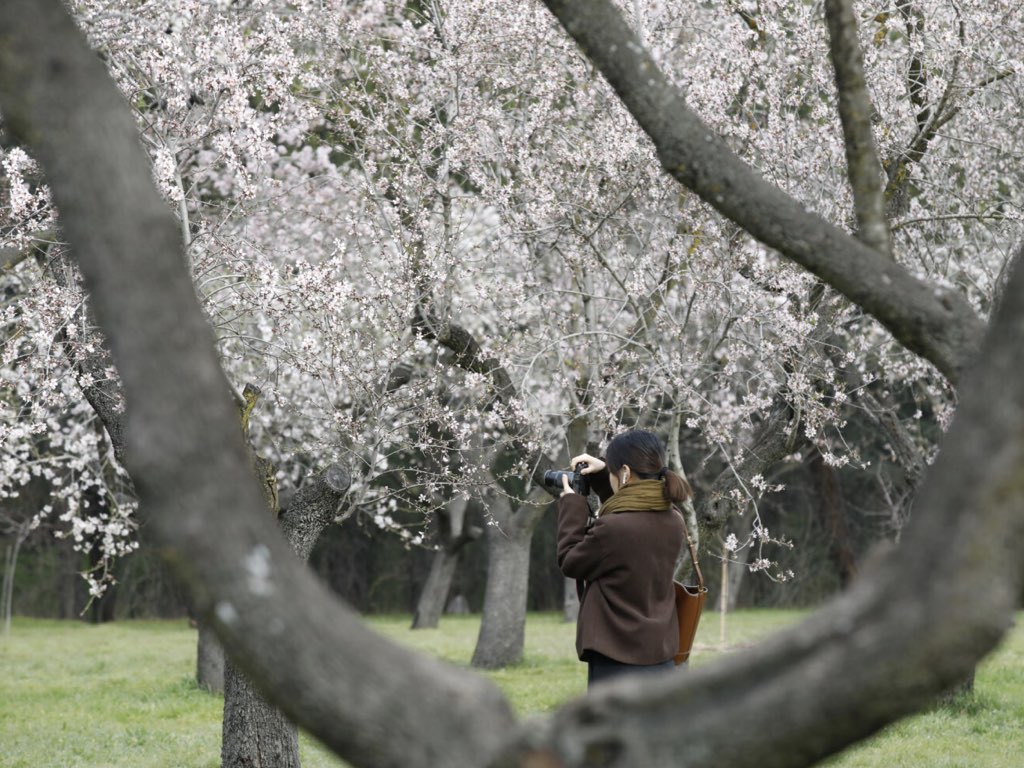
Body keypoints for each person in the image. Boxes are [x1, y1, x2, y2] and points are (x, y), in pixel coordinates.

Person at [556, 429, 693, 688]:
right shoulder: (674, 519)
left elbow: (570, 559)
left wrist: (572, 505)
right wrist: (603, 474)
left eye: (612, 472)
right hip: (658, 649)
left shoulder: (613, 529)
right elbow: (631, 514)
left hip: (615, 651)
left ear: (626, 473)